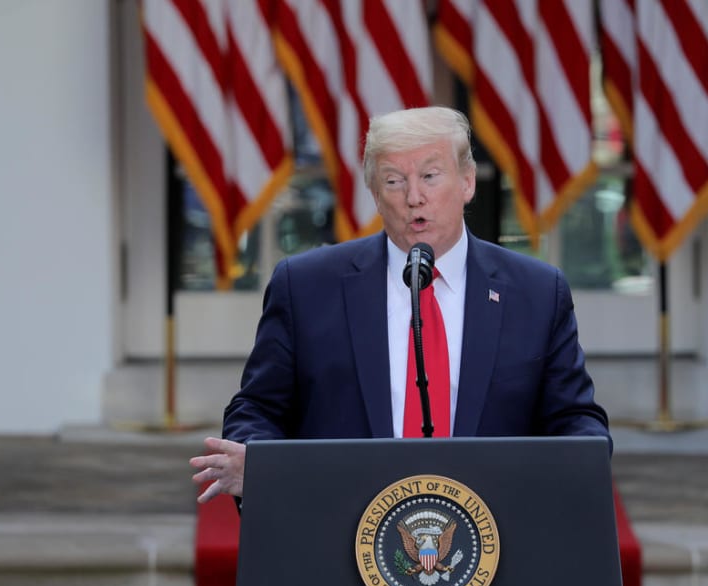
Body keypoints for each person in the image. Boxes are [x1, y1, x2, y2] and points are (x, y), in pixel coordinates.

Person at [190, 106, 609, 503]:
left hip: (494, 530)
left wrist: (578, 464)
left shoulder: (536, 292)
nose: (414, 197)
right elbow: (258, 409)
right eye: (393, 181)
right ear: (375, 194)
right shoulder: (305, 287)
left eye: (430, 176)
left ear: (467, 182)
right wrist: (264, 469)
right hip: (344, 526)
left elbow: (575, 419)